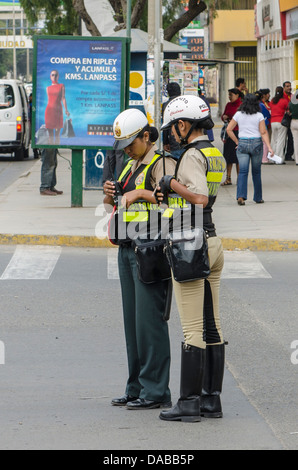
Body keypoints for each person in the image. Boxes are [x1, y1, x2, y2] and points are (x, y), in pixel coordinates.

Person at [156, 95, 227, 422]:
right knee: (212, 325)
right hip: (213, 242)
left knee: (192, 329)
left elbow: (197, 197)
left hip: (191, 243)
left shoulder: (191, 157)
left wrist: (170, 182)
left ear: (183, 125)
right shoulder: (215, 154)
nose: (171, 134)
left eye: (173, 127)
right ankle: (211, 401)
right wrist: (172, 190)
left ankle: (188, 403)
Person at [103, 108, 176, 410]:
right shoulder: (129, 166)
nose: (128, 151)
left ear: (147, 137)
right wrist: (110, 193)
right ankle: (135, 387)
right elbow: (116, 202)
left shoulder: (161, 164)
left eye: (132, 144)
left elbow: (172, 204)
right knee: (132, 325)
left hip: (151, 250)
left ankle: (156, 390)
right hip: (127, 248)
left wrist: (141, 194)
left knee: (150, 324)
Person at [226, 93, 274, 206]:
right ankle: (258, 197)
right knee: (256, 172)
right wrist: (270, 147)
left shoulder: (238, 114)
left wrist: (237, 141)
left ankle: (241, 197)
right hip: (256, 144)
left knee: (243, 171)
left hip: (242, 143)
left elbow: (229, 129)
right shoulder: (259, 115)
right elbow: (263, 132)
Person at [221, 88, 241, 185]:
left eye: (231, 95)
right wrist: (224, 117)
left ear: (237, 95)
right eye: (229, 95)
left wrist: (230, 117)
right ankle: (228, 178)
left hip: (238, 132)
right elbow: (223, 115)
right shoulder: (228, 105)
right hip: (229, 133)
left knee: (238, 158)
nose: (229, 97)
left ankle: (239, 178)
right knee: (228, 157)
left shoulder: (241, 105)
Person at [45, 70, 70, 145]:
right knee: (50, 134)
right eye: (52, 75)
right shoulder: (48, 88)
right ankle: (51, 149)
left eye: (56, 75)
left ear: (58, 76)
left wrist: (66, 110)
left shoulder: (61, 86)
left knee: (57, 133)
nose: (54, 77)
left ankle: (55, 149)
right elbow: (49, 100)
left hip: (58, 111)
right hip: (49, 111)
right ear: (50, 77)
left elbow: (63, 98)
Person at [162, 82, 183, 159]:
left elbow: (165, 125)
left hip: (173, 142)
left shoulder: (166, 105)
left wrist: (165, 142)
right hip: (186, 141)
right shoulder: (185, 103)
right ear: (180, 91)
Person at [269, 86, 289, 163]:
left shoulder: (272, 100)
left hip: (273, 121)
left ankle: (271, 158)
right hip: (281, 121)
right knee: (281, 140)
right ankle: (279, 159)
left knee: (274, 140)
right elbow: (288, 109)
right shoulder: (284, 101)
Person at [256, 89, 271, 164]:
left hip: (255, 125)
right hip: (262, 124)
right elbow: (267, 115)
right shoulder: (261, 105)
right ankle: (264, 158)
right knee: (265, 142)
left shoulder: (252, 105)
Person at [283, 81, 294, 161]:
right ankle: (282, 153)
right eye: (287, 86)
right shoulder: (281, 96)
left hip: (291, 118)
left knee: (291, 137)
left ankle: (289, 154)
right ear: (284, 87)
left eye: (290, 86)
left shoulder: (292, 96)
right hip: (284, 119)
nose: (289, 88)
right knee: (283, 137)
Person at [28, 93, 40, 159]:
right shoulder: (30, 104)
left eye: (31, 97)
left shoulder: (34, 105)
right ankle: (35, 152)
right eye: (30, 97)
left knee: (36, 137)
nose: (30, 98)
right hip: (32, 123)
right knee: (34, 138)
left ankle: (37, 151)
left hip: (36, 123)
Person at [289, 89, 298, 165]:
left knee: (295, 141)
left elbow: (289, 111)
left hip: (293, 122)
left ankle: (296, 159)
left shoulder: (292, 103)